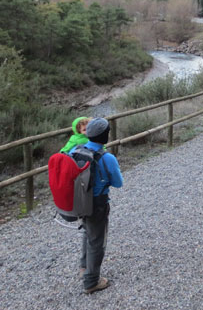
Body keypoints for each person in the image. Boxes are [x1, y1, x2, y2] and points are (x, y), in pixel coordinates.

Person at [72, 117, 123, 294]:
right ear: (105, 136)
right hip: (98, 204)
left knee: (88, 233)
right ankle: (92, 281)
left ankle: (84, 268)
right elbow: (117, 183)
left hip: (79, 202)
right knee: (97, 241)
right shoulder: (107, 157)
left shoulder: (76, 151)